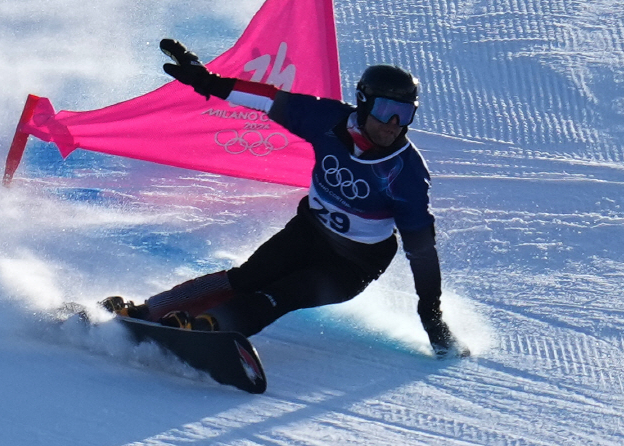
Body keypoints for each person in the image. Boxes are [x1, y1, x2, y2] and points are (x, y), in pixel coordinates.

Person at [103, 39, 468, 359]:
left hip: (354, 262)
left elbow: (421, 250)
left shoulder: (405, 173)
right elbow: (267, 100)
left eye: (405, 115)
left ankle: (205, 331)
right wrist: (210, 83)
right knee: (247, 278)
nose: (393, 124)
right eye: (386, 110)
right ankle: (145, 312)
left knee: (283, 293)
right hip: (309, 232)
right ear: (363, 103)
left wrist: (431, 317)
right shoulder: (327, 119)